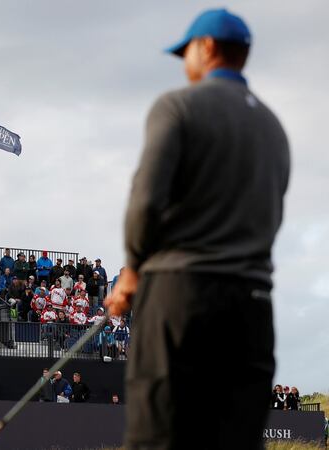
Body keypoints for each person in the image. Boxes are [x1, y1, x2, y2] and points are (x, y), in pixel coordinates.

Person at [105, 9, 289, 449]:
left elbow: (146, 199)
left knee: (160, 438)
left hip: (181, 296)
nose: (184, 63)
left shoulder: (178, 106)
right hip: (252, 306)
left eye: (185, 51)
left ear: (206, 47)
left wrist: (132, 270)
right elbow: (272, 216)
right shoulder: (274, 128)